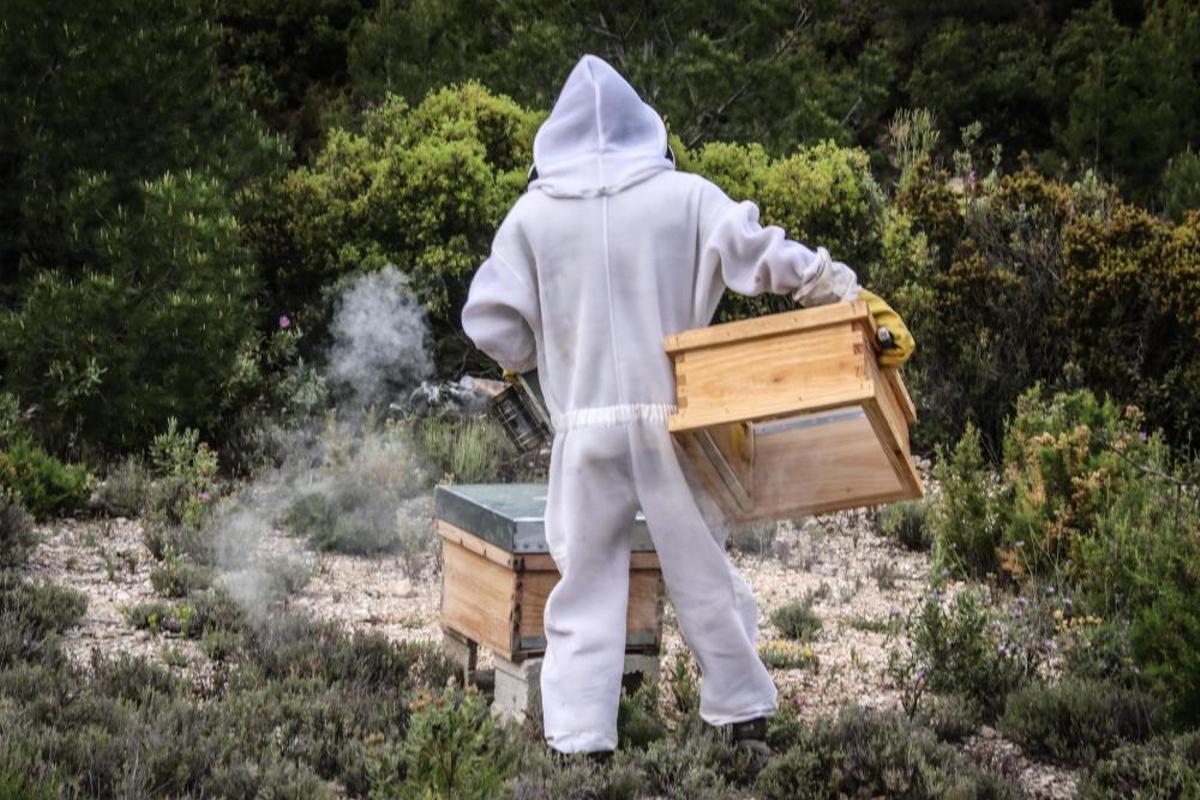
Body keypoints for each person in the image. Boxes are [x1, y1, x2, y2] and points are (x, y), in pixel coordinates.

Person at [462, 54, 913, 757]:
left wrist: (531, 348)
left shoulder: (530, 218)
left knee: (584, 578)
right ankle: (739, 715)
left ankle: (580, 739)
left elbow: (491, 323)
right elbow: (763, 256)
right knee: (699, 566)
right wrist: (836, 286)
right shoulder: (686, 197)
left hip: (583, 429)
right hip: (674, 417)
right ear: (647, 128)